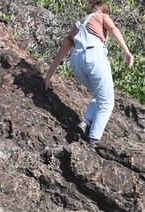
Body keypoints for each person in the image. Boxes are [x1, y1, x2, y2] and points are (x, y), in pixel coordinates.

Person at [43, 1, 134, 145]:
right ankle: (93, 140)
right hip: (94, 56)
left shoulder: (78, 25)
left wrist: (49, 75)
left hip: (76, 61)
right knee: (107, 103)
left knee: (100, 95)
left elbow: (62, 52)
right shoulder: (101, 16)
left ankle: (86, 121)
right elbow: (113, 28)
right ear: (103, 10)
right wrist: (127, 51)